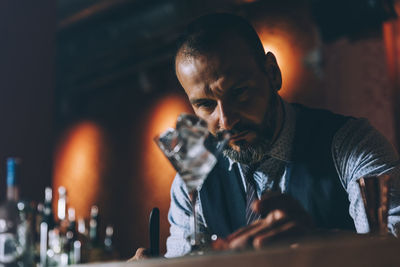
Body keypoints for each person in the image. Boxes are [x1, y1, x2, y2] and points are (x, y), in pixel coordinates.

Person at [133, 13, 400, 259]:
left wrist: (317, 245)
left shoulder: (351, 144)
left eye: (239, 92)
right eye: (206, 104)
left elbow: (392, 251)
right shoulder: (191, 177)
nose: (226, 120)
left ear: (272, 73)